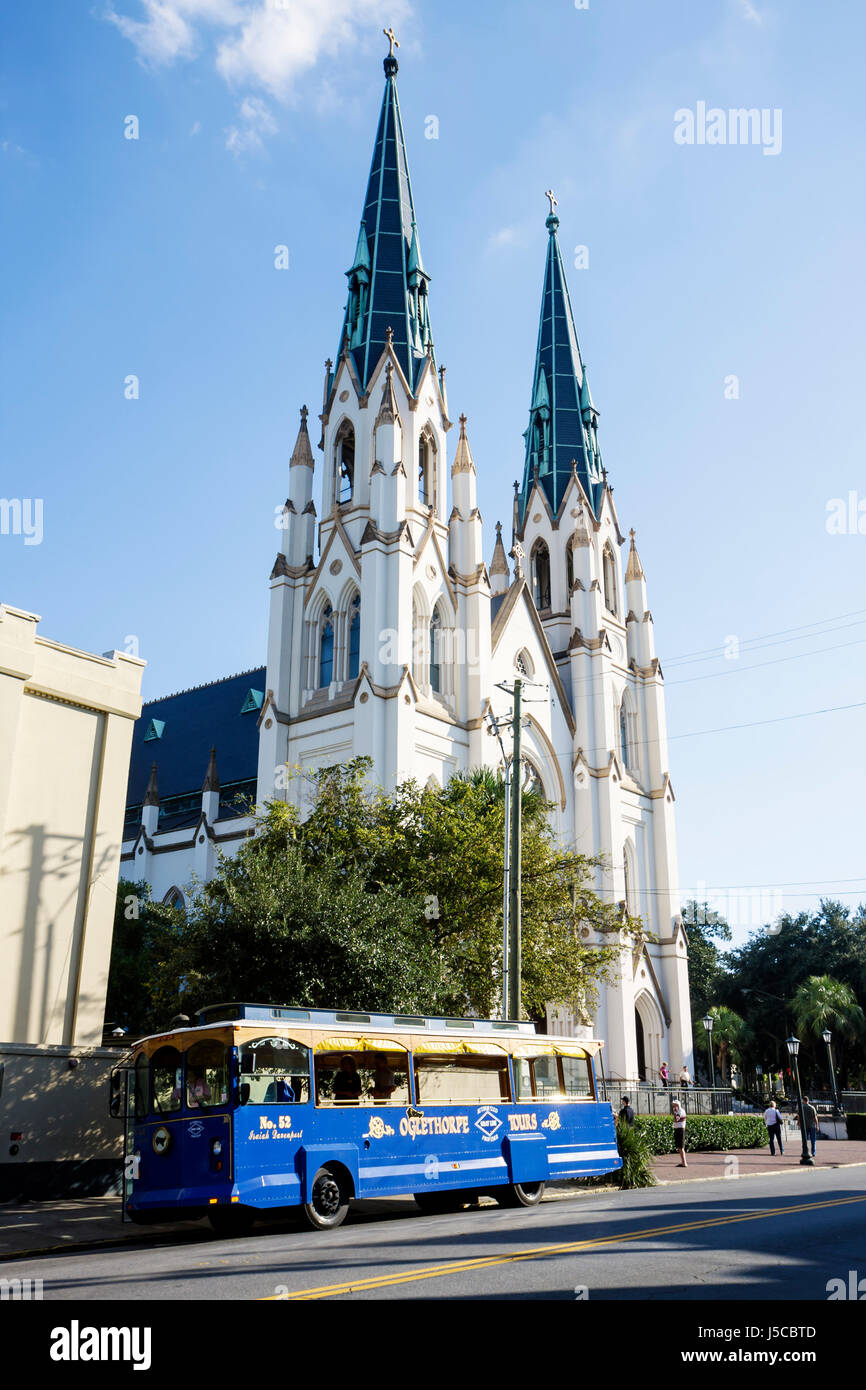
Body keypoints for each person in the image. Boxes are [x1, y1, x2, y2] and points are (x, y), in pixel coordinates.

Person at [672, 1100, 687, 1167]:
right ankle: (683, 1162)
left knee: (681, 1147)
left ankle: (684, 1163)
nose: (673, 1107)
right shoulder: (679, 1111)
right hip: (678, 1130)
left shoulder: (680, 1111)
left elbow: (676, 1119)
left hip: (680, 1130)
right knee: (679, 1147)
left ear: (678, 1105)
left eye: (674, 1105)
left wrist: (675, 1113)